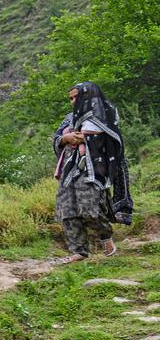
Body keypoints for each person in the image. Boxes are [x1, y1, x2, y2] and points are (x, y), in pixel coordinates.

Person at [53, 82, 133, 264]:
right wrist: (65, 138)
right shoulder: (69, 118)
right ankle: (78, 251)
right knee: (67, 209)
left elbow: (114, 140)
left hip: (93, 170)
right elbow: (57, 140)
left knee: (89, 208)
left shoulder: (105, 114)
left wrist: (87, 138)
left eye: (77, 96)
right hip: (70, 170)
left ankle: (106, 237)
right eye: (71, 98)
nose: (73, 101)